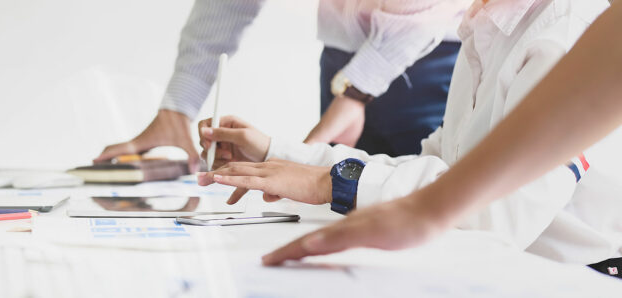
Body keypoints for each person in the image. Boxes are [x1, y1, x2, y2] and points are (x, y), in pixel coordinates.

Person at [198, 0, 618, 268]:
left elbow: (498, 216)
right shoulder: (486, 26)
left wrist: (333, 183)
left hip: (573, 278)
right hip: (496, 266)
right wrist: (279, 154)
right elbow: (436, 167)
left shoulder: (565, 30)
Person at [95, 0, 472, 172]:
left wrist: (358, 90)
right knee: (343, 201)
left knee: (434, 201)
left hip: (432, 56)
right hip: (342, 59)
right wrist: (177, 108)